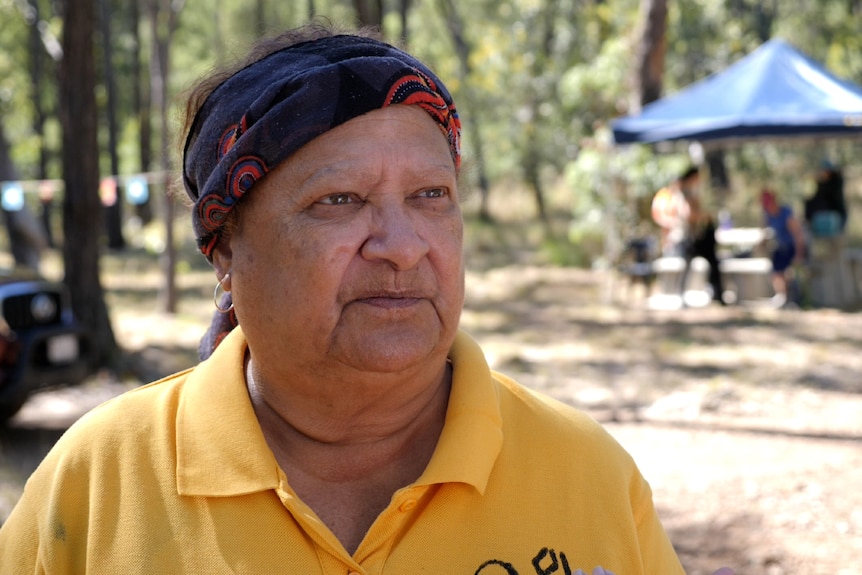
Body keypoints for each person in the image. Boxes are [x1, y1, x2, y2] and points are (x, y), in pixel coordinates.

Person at [0, 25, 734, 575]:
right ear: (225, 248)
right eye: (339, 199)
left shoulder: (588, 477)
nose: (402, 243)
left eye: (430, 196)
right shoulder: (96, 487)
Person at [653, 166, 725, 306]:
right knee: (696, 264)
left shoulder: (685, 191)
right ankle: (691, 294)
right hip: (688, 237)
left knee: (707, 263)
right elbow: (688, 214)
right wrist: (704, 216)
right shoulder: (683, 192)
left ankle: (714, 292)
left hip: (691, 236)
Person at [760, 188, 805, 307]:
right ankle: (781, 296)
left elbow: (798, 235)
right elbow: (765, 230)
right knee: (775, 272)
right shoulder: (768, 215)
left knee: (790, 274)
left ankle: (794, 300)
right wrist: (762, 243)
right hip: (780, 247)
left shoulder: (786, 213)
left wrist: (799, 254)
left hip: (792, 246)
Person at [804, 160, 847, 238]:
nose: (824, 173)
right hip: (824, 212)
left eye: (826, 171)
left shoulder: (836, 182)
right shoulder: (822, 183)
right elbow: (816, 197)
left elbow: (831, 195)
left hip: (836, 211)